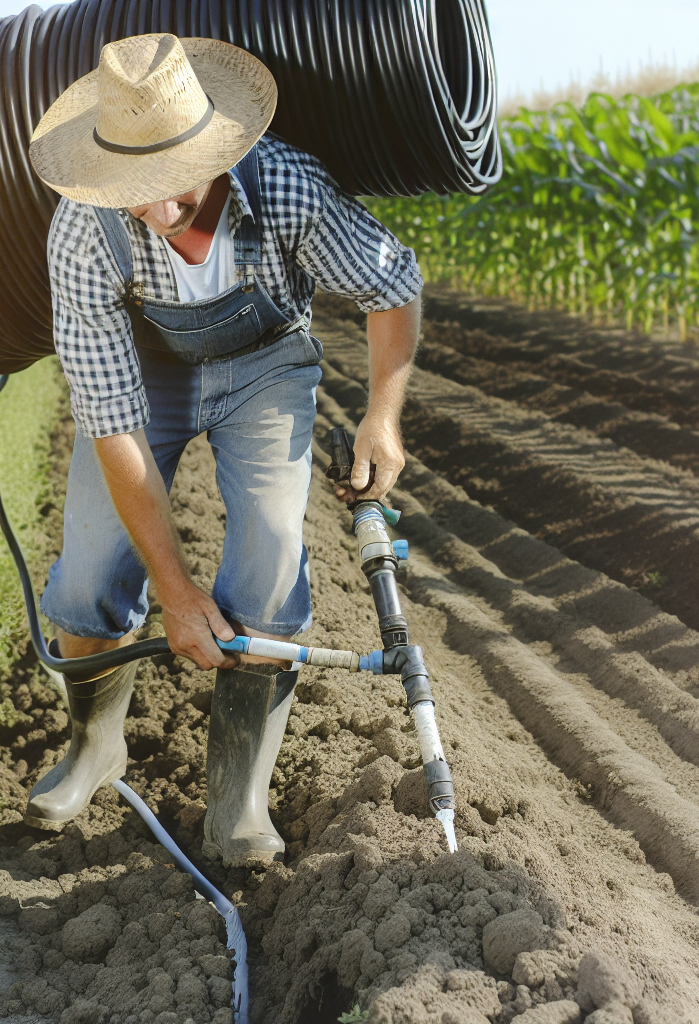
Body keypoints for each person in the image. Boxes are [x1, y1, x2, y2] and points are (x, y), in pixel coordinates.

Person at [25, 33, 422, 867]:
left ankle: (238, 798)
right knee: (91, 573)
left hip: (267, 365)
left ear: (212, 150)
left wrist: (383, 412)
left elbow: (392, 284)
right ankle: (93, 746)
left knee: (273, 557)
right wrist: (172, 588)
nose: (154, 211)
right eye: (134, 189)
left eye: (170, 185)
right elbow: (110, 419)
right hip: (152, 369)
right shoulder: (84, 232)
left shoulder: (283, 188)